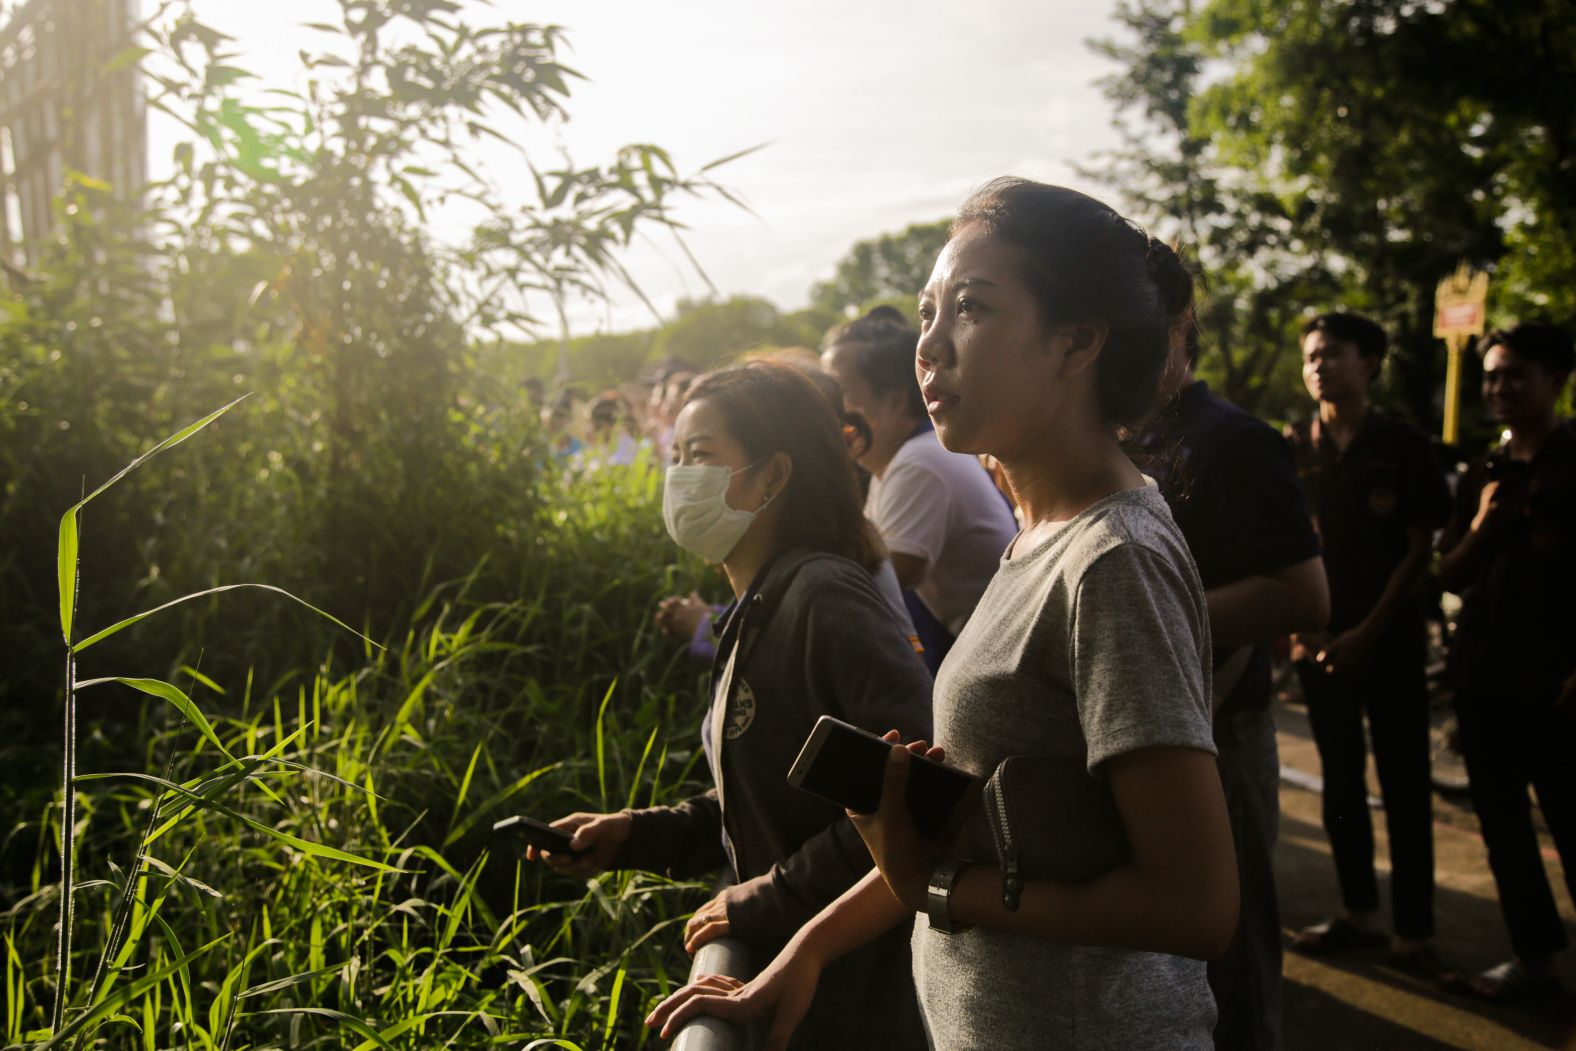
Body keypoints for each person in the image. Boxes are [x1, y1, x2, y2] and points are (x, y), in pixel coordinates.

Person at [648, 178, 1237, 1049]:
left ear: (1075, 341)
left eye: (970, 308)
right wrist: (799, 955)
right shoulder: (1040, 537)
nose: (929, 346)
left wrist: (936, 890)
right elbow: (960, 834)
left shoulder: (1115, 562)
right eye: (927, 312)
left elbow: (1196, 904)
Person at [535, 361, 933, 1047]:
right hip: (800, 992)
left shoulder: (826, 599)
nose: (678, 473)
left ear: (773, 475)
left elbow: (911, 791)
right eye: (677, 455)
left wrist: (762, 898)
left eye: (701, 456)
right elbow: (769, 798)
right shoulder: (760, 606)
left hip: (866, 1000)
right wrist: (634, 833)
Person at [1137, 325, 1329, 1050]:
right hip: (1152, 726)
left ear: (1177, 330)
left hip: (1222, 731)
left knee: (1235, 962)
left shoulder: (1231, 439)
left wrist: (1135, 608)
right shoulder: (1124, 431)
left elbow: (1304, 597)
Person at [1285, 313, 1452, 971]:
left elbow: (1420, 548)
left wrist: (1367, 631)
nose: (1318, 366)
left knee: (1407, 786)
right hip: (1318, 646)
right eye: (1311, 357)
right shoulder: (1295, 444)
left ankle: (1415, 930)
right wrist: (1309, 630)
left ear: (1370, 362)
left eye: (1331, 354)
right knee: (1341, 787)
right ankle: (1359, 913)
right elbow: (1277, 546)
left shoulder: (1402, 442)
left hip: (1390, 641)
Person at [1437, 322, 1576, 1002]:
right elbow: (1450, 575)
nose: (1498, 388)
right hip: (1485, 677)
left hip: (1560, 686)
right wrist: (1486, 524)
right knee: (1504, 831)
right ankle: (1536, 959)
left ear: (1558, 380)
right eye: (1492, 376)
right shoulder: (1481, 472)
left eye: (1515, 374)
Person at [821, 307, 1018, 673]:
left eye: (841, 391)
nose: (828, 410)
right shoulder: (899, 462)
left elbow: (883, 584)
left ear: (895, 397)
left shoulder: (918, 463)